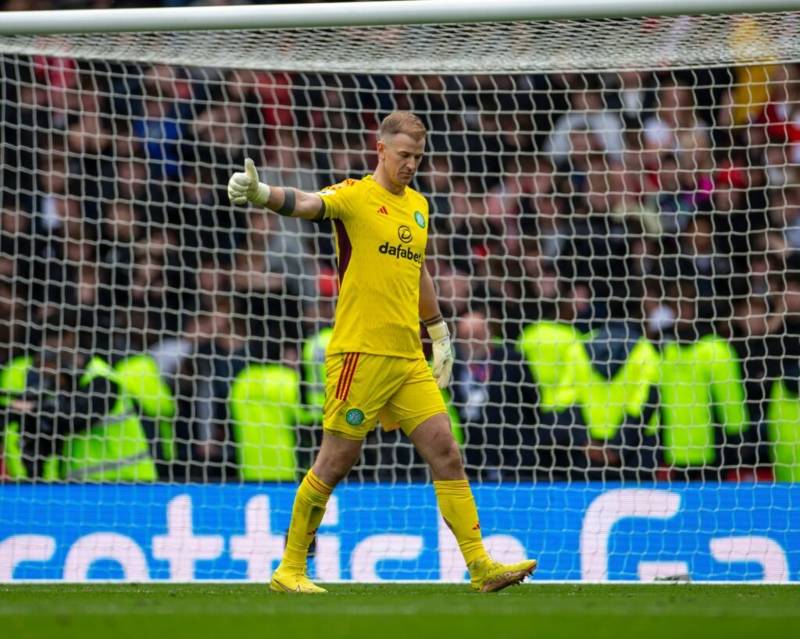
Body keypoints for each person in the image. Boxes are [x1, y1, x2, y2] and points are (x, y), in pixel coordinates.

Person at [228, 111, 536, 593]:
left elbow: (417, 270)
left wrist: (438, 331)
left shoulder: (419, 206)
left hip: (407, 358)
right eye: (403, 155)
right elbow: (307, 203)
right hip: (360, 354)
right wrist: (263, 194)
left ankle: (479, 565)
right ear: (381, 150)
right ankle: (289, 568)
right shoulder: (354, 196)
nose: (411, 164)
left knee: (447, 452)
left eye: (418, 157)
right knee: (335, 462)